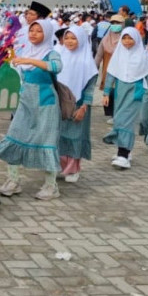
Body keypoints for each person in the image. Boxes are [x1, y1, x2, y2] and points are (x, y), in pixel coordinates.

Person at [0, 19, 63, 200]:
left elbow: (57, 67)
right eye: (32, 30)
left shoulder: (51, 53)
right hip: (25, 103)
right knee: (15, 137)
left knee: (47, 142)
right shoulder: (25, 51)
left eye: (39, 31)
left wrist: (30, 60)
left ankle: (51, 186)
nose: (33, 34)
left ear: (46, 34)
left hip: (45, 103)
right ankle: (13, 180)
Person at [101, 27, 148, 169]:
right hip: (120, 91)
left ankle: (123, 155)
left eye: (130, 38)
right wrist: (106, 93)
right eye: (124, 38)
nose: (127, 41)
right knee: (119, 119)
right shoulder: (118, 54)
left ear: (136, 39)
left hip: (135, 92)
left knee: (125, 121)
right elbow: (111, 74)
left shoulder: (141, 56)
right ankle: (125, 149)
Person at [57, 26, 98, 183]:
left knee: (75, 136)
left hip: (78, 103)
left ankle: (73, 169)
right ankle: (62, 166)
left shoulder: (87, 62)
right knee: (60, 135)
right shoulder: (60, 56)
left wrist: (84, 107)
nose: (69, 41)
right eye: (67, 38)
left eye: (73, 38)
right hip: (61, 103)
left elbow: (90, 87)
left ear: (81, 40)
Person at [94, 14, 125, 124]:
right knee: (110, 91)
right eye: (113, 23)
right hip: (108, 69)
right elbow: (99, 55)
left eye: (118, 23)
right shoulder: (105, 40)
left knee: (119, 92)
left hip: (122, 70)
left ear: (122, 25)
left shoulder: (125, 39)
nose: (115, 25)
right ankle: (112, 114)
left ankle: (118, 114)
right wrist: (94, 68)